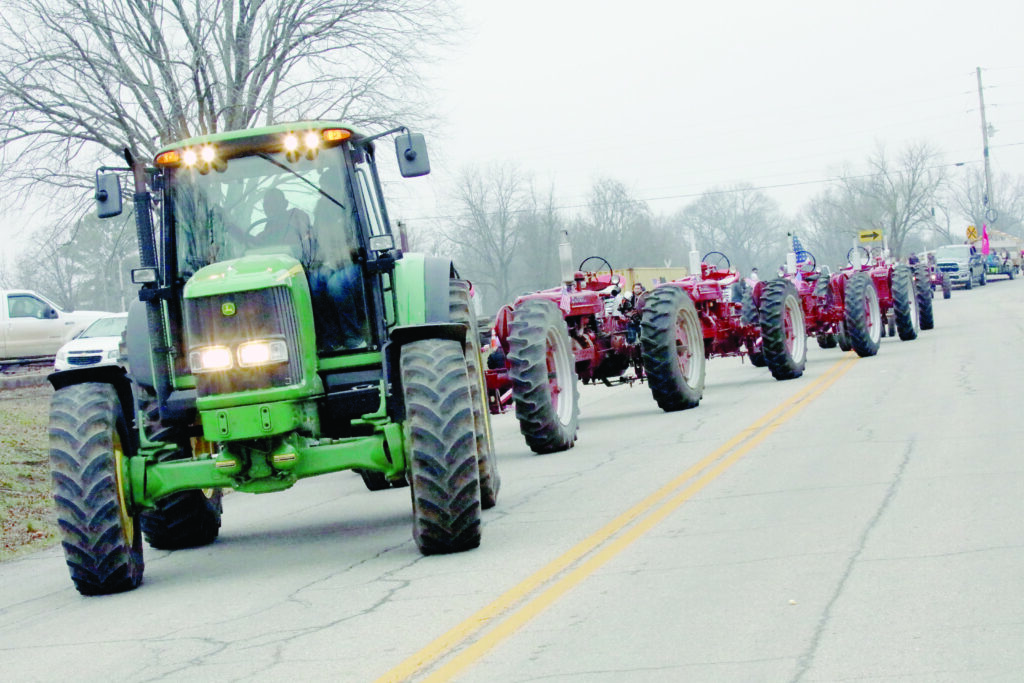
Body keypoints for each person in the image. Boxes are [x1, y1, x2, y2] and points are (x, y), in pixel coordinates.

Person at [305, 172, 367, 351]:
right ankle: (332, 338)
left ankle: (353, 337)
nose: (322, 192)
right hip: (330, 263)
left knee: (337, 285)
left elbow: (359, 244)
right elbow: (318, 242)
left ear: (336, 188)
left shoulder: (351, 208)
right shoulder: (321, 212)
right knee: (314, 283)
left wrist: (341, 254)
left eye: (326, 188)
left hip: (355, 263)